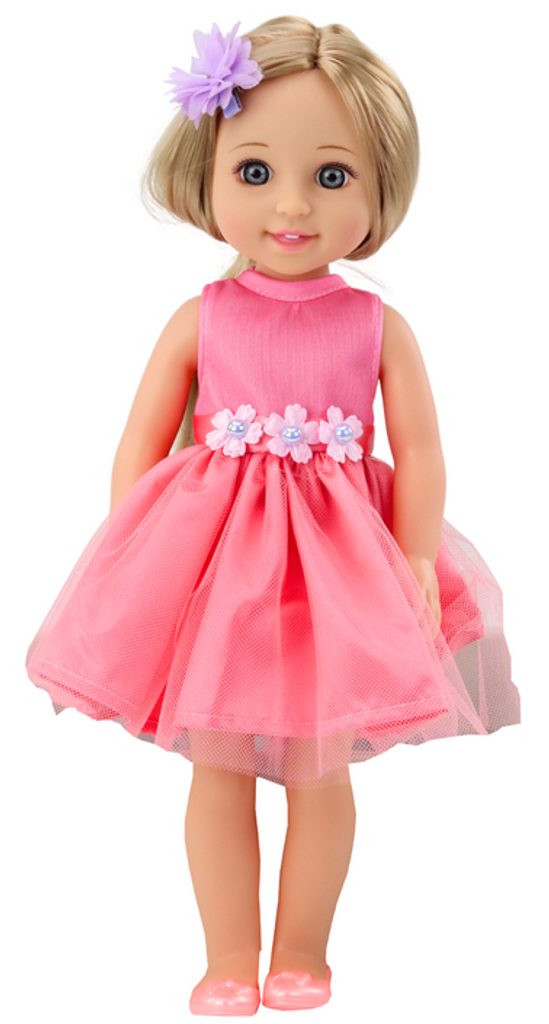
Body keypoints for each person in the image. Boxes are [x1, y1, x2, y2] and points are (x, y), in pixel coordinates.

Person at [24, 16, 521, 1016]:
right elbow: (140, 443)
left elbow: (421, 451)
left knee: (319, 769)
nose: (291, 204)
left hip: (338, 578)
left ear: (380, 190)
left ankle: (301, 952)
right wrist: (135, 560)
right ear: (207, 173)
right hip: (220, 578)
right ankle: (225, 957)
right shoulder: (201, 316)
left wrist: (414, 559)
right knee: (216, 771)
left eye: (331, 177)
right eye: (255, 172)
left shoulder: (376, 325)